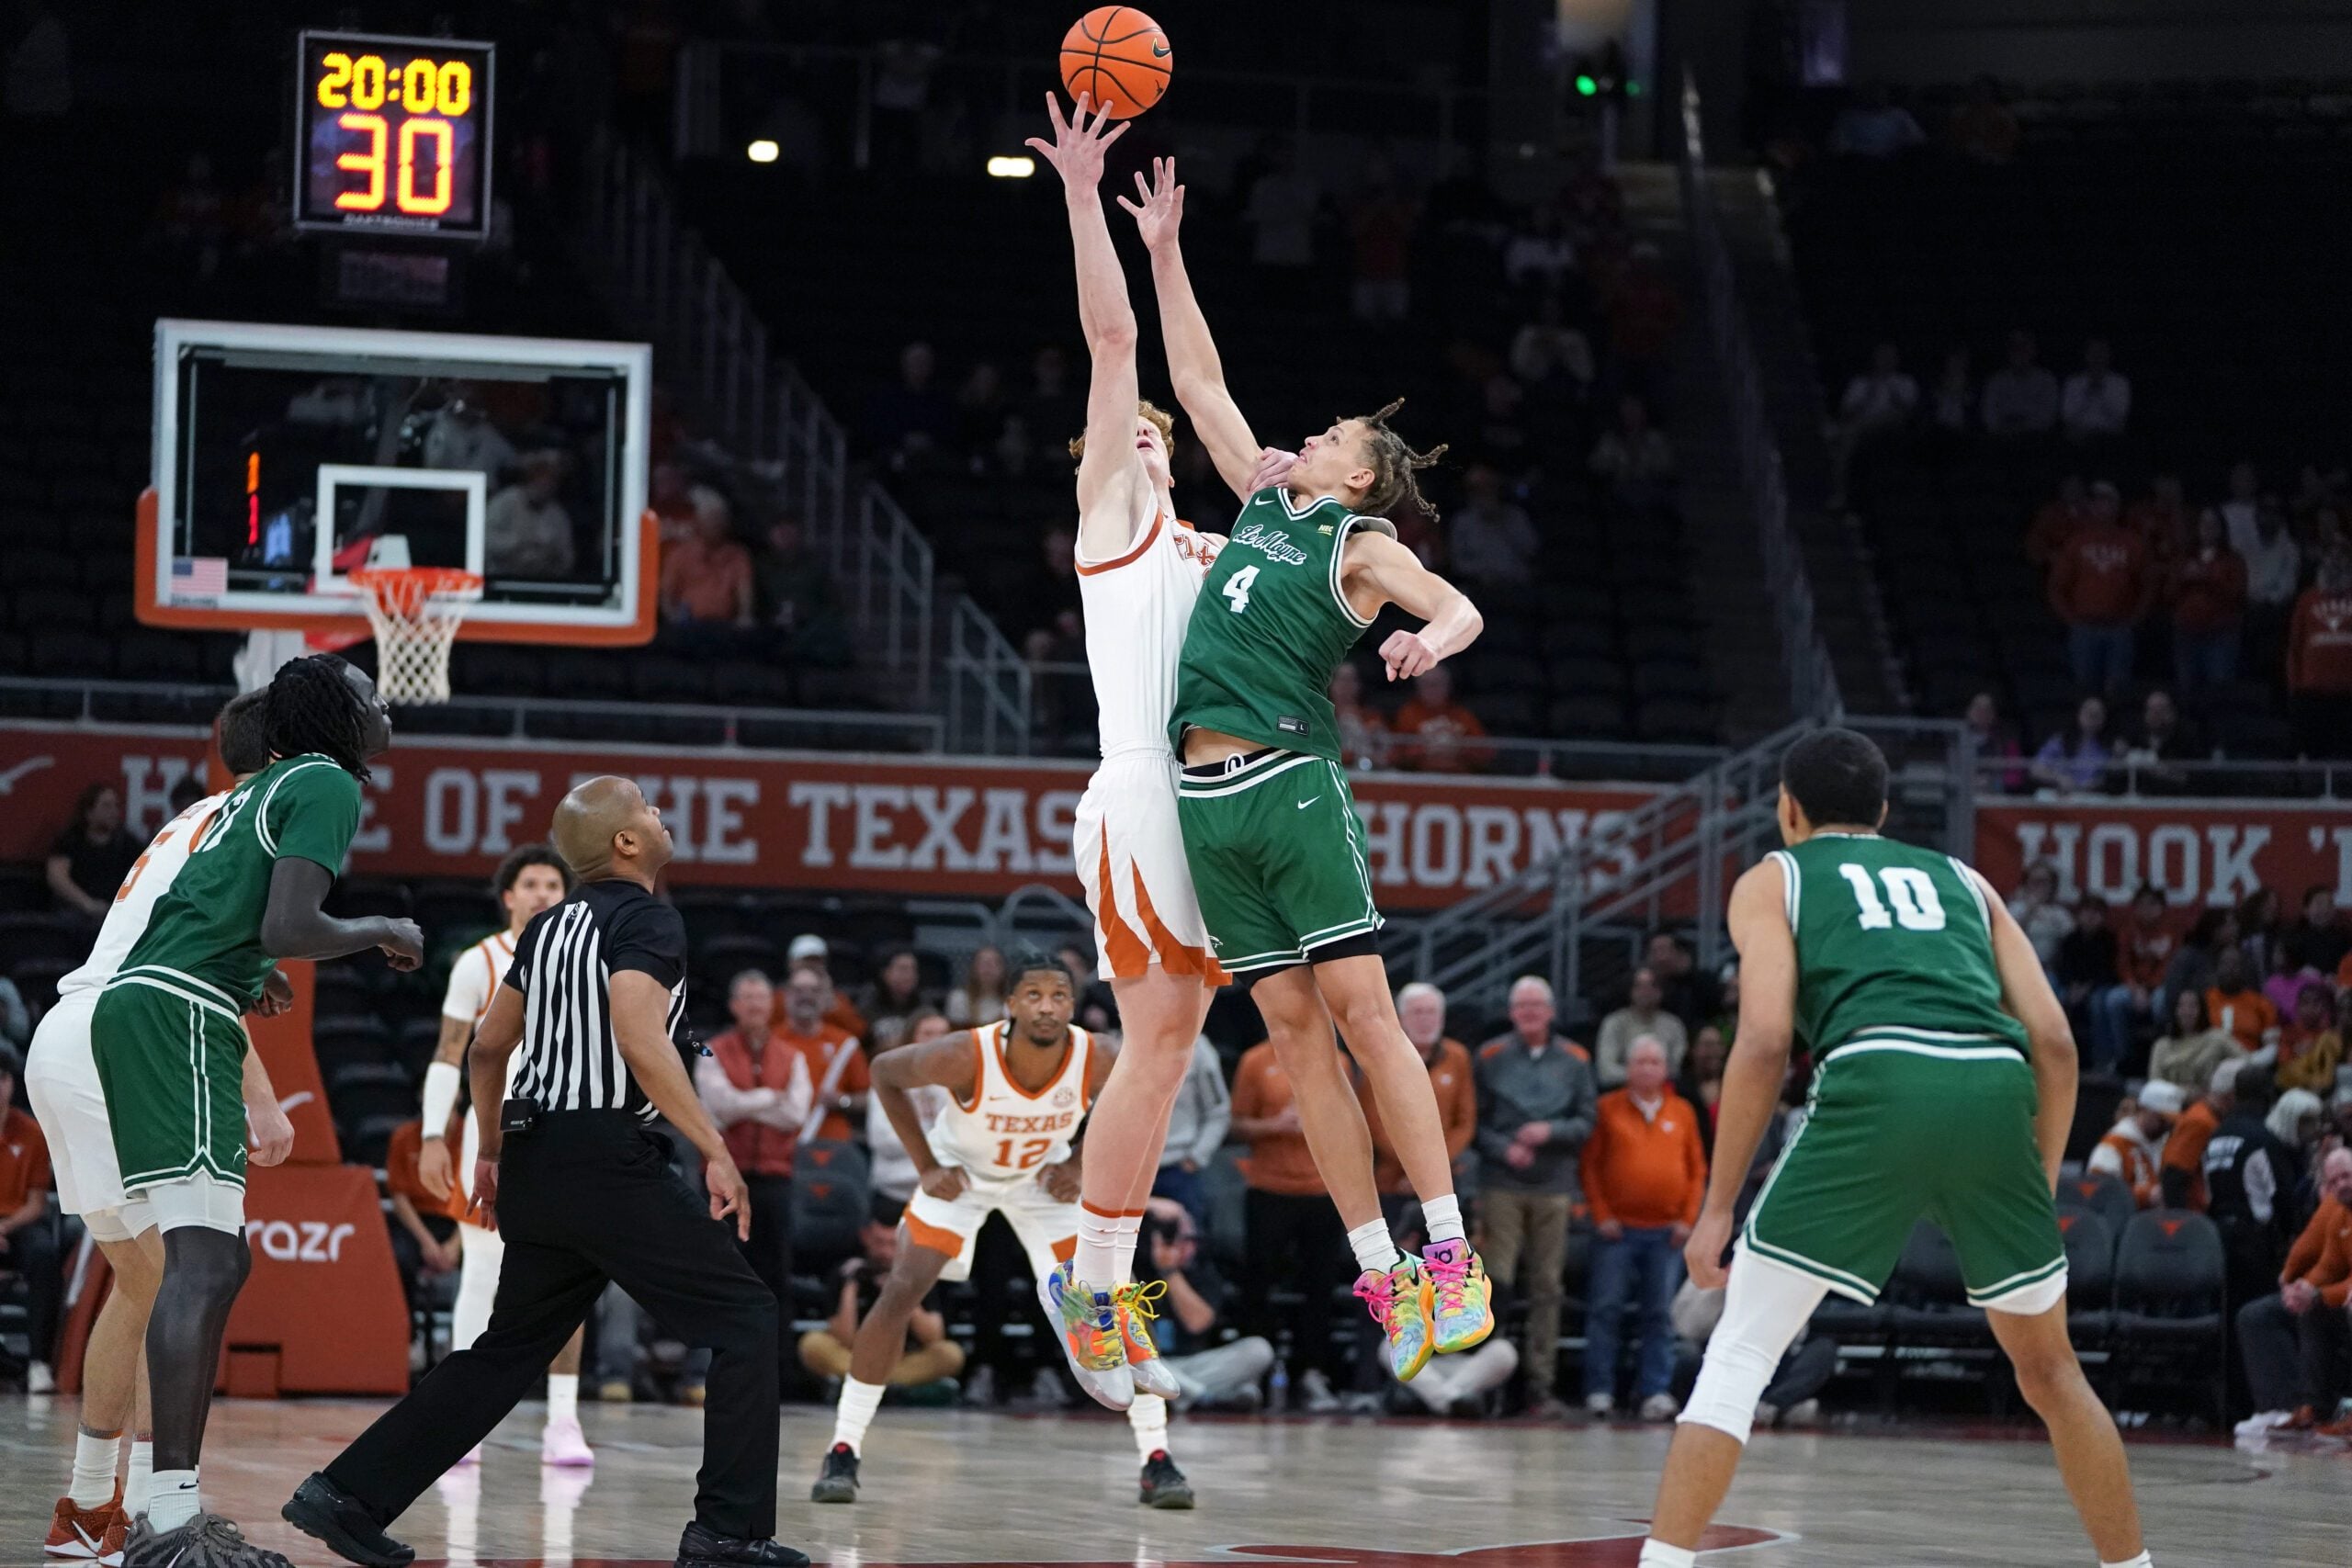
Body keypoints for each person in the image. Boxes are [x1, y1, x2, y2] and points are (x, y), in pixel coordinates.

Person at [1132, 151, 1498, 1384]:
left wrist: (1423, 639)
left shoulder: (1359, 535)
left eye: (1336, 432)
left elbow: (1457, 606)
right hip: (1206, 800)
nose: (1314, 429)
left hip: (1291, 783)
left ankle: (1447, 1249)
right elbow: (1195, 376)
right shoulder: (1260, 500)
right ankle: (1381, 1268)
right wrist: (1168, 247)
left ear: (1356, 474)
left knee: (1363, 1015)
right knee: (1294, 1040)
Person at [1637, 728, 2153, 1568]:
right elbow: (2056, 1041)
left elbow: (1765, 1040)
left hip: (1878, 1076)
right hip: (1994, 1087)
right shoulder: (1967, 880)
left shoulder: (1776, 877)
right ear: (1882, 811)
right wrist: (2037, 1167)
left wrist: (1718, 1207)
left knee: (1740, 1349)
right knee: (2053, 1372)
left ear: (1787, 809)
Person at [283, 777, 808, 1568]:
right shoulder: (649, 917)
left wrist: (492, 1149)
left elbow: (489, 1046)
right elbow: (637, 1030)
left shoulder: (548, 926)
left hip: (534, 1156)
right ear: (627, 844)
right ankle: (726, 1534)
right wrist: (715, 1146)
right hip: (606, 1161)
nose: (660, 811)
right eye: (646, 806)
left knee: (506, 1349)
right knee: (745, 1319)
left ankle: (346, 1494)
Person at [82, 659, 419, 1568]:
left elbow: (216, 906)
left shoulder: (263, 783)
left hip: (154, 998)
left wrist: (250, 975)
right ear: (333, 717)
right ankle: (167, 1521)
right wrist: (382, 930)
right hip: (175, 1011)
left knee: (211, 1259)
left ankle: (166, 1510)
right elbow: (289, 925)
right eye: (365, 693)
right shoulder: (324, 781)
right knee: (204, 1260)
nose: (381, 705)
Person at [1022, 99, 1245, 1414]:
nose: (1145, 436)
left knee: (1167, 1052)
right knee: (1160, 1041)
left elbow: (1205, 391)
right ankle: (1097, 1283)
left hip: (1221, 802)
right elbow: (1116, 347)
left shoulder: (1207, 551)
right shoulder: (1112, 522)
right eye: (1129, 432)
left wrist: (1173, 253)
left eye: (1154, 435)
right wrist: (1086, 194)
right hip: (1142, 788)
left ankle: (1103, 1280)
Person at [25, 694, 296, 1555]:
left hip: (68, 1034)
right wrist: (259, 1089)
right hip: (128, 1037)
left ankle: (89, 1510)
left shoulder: (194, 819)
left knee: (142, 1279)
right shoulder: (257, 825)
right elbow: (188, 977)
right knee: (192, 1271)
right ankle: (156, 1516)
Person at [808, 954, 1193, 1510]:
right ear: (1010, 1005)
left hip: (1042, 1181)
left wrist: (1082, 1160)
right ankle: (843, 1447)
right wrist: (926, 1166)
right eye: (1032, 995)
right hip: (963, 1179)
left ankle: (1157, 1458)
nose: (1046, 1006)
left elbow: (1148, 1099)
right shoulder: (967, 1052)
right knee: (900, 1291)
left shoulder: (1097, 1055)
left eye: (1059, 995)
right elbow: (885, 1073)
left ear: (1073, 1003)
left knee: (1116, 1298)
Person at [413, 845, 591, 1468]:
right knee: (482, 1271)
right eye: (531, 882)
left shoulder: (588, 962)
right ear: (508, 896)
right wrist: (435, 1132)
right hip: (492, 1132)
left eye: (553, 883)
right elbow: (448, 1051)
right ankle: (461, 1418)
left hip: (566, 1129)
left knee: (572, 1275)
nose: (543, 892)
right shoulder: (476, 962)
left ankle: (564, 1420)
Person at [1465, 974, 1593, 1413]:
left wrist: (1549, 1131)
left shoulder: (1576, 1060)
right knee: (1494, 1283)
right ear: (1511, 1012)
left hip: (1554, 1188)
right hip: (1501, 1185)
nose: (1529, 1013)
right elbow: (1472, 1124)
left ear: (1552, 1011)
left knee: (1547, 1287)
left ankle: (1541, 1386)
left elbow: (1586, 1122)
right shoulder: (1490, 1056)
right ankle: (1485, 1382)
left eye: (1536, 1006)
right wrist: (1505, 1147)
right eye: (1521, 1006)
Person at [693, 969, 813, 1375]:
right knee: (722, 1270)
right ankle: (718, 1361)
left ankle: (776, 1366)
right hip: (725, 1178)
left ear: (771, 1004)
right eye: (746, 998)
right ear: (733, 1006)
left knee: (776, 1272)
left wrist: (746, 1102)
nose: (755, 1006)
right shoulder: (711, 1050)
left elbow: (796, 1112)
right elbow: (719, 1106)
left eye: (761, 998)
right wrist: (767, 1098)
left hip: (776, 1178)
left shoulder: (792, 1055)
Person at [1582, 1037, 1706, 1421]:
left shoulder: (1682, 1111)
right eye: (1640, 1062)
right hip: (1617, 1232)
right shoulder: (1606, 1109)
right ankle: (1600, 1391)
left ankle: (1655, 1391)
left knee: (1659, 1315)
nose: (1647, 1068)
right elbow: (1590, 1167)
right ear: (1628, 1068)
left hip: (1667, 1233)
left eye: (1655, 1061)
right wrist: (1601, 1214)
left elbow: (1697, 1169)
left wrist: (1688, 1220)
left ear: (1666, 1069)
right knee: (1606, 1310)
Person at [1228, 1037, 1347, 1406]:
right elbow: (1235, 1126)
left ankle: (1311, 1373)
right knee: (1258, 1281)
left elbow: (1351, 1122)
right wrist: (1274, 1125)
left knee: (1321, 1286)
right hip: (1269, 1187)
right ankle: (1250, 1375)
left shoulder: (1338, 1059)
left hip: (1323, 1189)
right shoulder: (1254, 1059)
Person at [2233, 1145, 2352, 1433]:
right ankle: (2303, 1407)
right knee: (2262, 1314)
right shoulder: (2339, 1214)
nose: (2341, 1185)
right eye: (2333, 1181)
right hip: (2342, 1293)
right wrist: (2301, 1286)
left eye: (2347, 1176)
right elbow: (2328, 1265)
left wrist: (2320, 1294)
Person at [1132, 1199, 1274, 1414]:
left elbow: (1198, 1323)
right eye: (1175, 1240)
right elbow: (1126, 1328)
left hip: (1194, 1364)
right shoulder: (1136, 1269)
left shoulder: (1202, 1272)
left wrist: (1169, 1273)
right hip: (1151, 1363)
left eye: (1191, 1240)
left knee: (1259, 1349)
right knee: (1124, 1359)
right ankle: (1206, 1396)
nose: (1187, 1247)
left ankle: (1181, 1395)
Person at [797, 1217, 962, 1390]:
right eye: (879, 1242)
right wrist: (850, 1288)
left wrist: (903, 1293)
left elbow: (934, 1336)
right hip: (856, 1358)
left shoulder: (919, 1274)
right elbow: (844, 1338)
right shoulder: (847, 1273)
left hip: (903, 1358)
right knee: (813, 1343)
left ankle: (872, 1383)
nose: (885, 1252)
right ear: (866, 1237)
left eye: (892, 1244)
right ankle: (885, 1385)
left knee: (950, 1353)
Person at [862, 1012, 950, 1222]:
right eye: (928, 1034)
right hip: (894, 1190)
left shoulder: (961, 1085)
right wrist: (937, 1143)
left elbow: (965, 1141)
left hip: (944, 1193)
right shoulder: (887, 1081)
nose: (936, 1041)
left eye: (943, 1034)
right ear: (911, 1038)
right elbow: (883, 1140)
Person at [770, 966, 868, 1145]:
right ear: (786, 996)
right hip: (780, 1144)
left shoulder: (845, 1044)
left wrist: (843, 1100)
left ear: (825, 997)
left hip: (832, 1144)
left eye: (814, 990)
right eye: (798, 990)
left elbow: (870, 1097)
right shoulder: (771, 1042)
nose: (806, 996)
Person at [2091, 886, 2173, 1076]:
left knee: (2162, 1002)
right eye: (2142, 904)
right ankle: (2123, 1057)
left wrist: (2150, 988)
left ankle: (2162, 1058)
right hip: (2134, 988)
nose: (2148, 909)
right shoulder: (2128, 930)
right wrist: (2135, 988)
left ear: (2162, 907)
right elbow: (2123, 964)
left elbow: (2169, 965)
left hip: (2159, 986)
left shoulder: (2171, 930)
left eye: (2153, 904)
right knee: (2113, 1000)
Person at [1152, 1034, 1230, 1226]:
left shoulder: (1197, 1048)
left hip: (1178, 1168)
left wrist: (1196, 1158)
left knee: (1185, 1248)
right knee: (1123, 1251)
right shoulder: (1118, 1041)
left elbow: (1218, 1111)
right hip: (1128, 1172)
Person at [2167, 511, 2246, 697]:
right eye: (2203, 523)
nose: (2208, 528)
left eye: (2213, 524)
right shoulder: (2183, 558)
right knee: (2186, 690)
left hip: (2220, 635)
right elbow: (2169, 593)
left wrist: (2207, 577)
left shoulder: (2233, 559)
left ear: (2221, 529)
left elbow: (2238, 593)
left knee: (2218, 691)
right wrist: (2184, 578)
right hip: (2186, 633)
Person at [2286, 549, 2352, 758]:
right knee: (2315, 751)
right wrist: (2294, 685)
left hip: (2348, 691)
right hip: (2312, 690)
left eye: (2341, 560)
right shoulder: (2307, 599)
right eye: (2331, 559)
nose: (2335, 565)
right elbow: (2295, 645)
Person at [660, 486, 754, 628]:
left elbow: (744, 590)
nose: (715, 524)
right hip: (688, 626)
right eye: (710, 520)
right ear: (698, 522)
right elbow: (666, 594)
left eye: (719, 520)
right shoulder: (679, 554)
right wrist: (673, 618)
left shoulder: (738, 555)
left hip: (725, 626)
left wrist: (745, 616)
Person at [47, 782, 141, 922]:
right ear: (89, 812)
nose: (114, 812)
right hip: (76, 912)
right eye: (106, 806)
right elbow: (57, 877)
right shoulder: (70, 840)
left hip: (114, 913)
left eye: (116, 806)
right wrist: (87, 904)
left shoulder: (127, 842)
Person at [2088, 1081, 2181, 1208]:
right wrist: (2146, 1195)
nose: (2167, 1125)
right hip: (2123, 1220)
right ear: (2143, 1109)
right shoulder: (2114, 1144)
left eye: (2171, 1121)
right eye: (2161, 1119)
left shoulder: (2168, 1141)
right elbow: (2101, 1191)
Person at [2159, 1060, 2237, 1212]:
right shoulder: (2201, 1121)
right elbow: (2174, 1173)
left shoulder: (2208, 1116)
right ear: (2230, 1095)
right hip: (2193, 1213)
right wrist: (2179, 1221)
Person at [483, 451, 576, 579]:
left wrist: (552, 553)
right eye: (542, 474)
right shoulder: (504, 502)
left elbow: (567, 559)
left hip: (541, 582)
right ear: (530, 476)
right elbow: (485, 540)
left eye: (553, 478)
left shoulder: (558, 515)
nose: (547, 482)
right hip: (502, 577)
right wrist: (519, 541)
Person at [1596, 967, 1690, 1089]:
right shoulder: (1613, 1023)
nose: (1645, 991)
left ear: (1661, 991)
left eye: (1652, 986)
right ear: (1630, 991)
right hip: (1621, 1092)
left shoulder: (1674, 1025)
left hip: (1665, 1092)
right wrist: (1643, 1077)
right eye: (1639, 986)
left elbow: (1675, 1069)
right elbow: (1606, 1071)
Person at [1390, 666, 1493, 773]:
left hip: (1459, 778)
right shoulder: (1407, 715)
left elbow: (1486, 753)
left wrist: (1459, 747)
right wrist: (1425, 748)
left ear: (1448, 686)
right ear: (1418, 687)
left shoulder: (1463, 715)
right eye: (1427, 684)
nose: (1432, 689)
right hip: (1418, 778)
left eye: (1437, 684)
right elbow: (1395, 754)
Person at [2147, 988, 2240, 1093]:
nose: (2187, 1011)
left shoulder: (2217, 1038)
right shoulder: (2162, 1045)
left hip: (2209, 1101)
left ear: (2202, 1010)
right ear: (2174, 1011)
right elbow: (2154, 1085)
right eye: (2181, 1006)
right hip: (2170, 1102)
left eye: (2192, 1006)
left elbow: (2245, 1062)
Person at [1980, 329, 2059, 437]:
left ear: (2034, 350)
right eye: (2014, 347)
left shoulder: (2046, 380)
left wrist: (2021, 427)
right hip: (2001, 439)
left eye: (2024, 346)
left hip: (2036, 440)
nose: (2019, 352)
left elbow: (2047, 418)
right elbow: (1989, 417)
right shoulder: (1996, 381)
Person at [2205, 945, 2278, 1056]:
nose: (2230, 969)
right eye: (2225, 963)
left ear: (2243, 969)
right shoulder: (2205, 999)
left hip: (2248, 1062)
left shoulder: (2261, 1003)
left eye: (2235, 964)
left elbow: (2271, 1045)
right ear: (2217, 967)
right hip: (2211, 1061)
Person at [2031, 696, 2113, 795]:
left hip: (2092, 799)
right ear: (2079, 714)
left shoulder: (2109, 747)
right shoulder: (2060, 741)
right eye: (2088, 712)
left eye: (2097, 714)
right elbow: (2036, 769)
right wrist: (2059, 778)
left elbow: (2107, 776)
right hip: (2059, 796)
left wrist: (2096, 783)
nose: (2092, 717)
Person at [2059, 340, 2131, 445]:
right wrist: (2087, 395)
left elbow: (2120, 416)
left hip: (2109, 435)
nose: (2097, 356)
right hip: (2079, 436)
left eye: (2102, 352)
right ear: (2086, 355)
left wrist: (2101, 392)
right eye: (2093, 352)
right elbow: (2067, 416)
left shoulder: (2120, 382)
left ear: (2109, 355)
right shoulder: (2073, 382)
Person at [2007, 861, 2074, 973]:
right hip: (2020, 967)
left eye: (2044, 882)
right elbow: (2008, 937)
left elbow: (2073, 942)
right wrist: (2029, 910)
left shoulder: (2060, 913)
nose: (2039, 886)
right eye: (2035, 882)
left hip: (2051, 970)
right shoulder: (2015, 908)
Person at [2282, 886, 2352, 978]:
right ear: (2306, 909)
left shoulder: (2344, 936)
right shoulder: (2292, 936)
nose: (2325, 908)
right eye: (2319, 903)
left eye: (2330, 904)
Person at [944, 945, 1007, 1028]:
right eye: (983, 963)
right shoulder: (959, 999)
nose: (989, 968)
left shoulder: (1012, 1003)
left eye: (995, 963)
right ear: (973, 968)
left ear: (1003, 969)